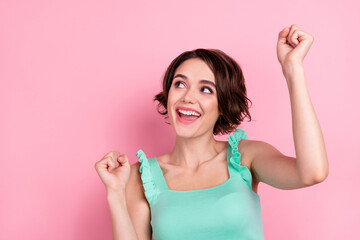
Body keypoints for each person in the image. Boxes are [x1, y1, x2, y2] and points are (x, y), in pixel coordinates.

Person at [95, 24, 329, 240]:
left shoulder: (247, 157)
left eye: (206, 89)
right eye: (179, 84)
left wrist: (293, 69)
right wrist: (115, 193)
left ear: (223, 105)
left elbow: (312, 172)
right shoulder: (140, 176)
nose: (188, 97)